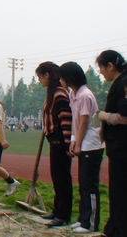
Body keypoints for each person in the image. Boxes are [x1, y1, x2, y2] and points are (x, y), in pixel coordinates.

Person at [60, 62, 104, 234]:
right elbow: (76, 121)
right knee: (83, 183)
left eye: (62, 77)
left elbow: (84, 122)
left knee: (90, 185)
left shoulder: (85, 95)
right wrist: (73, 140)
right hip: (82, 142)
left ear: (69, 78)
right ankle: (83, 219)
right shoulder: (73, 93)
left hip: (91, 145)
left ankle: (91, 223)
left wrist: (78, 143)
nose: (61, 80)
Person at [36, 61, 73, 227]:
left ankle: (64, 215)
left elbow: (66, 119)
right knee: (57, 178)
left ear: (47, 75)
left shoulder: (59, 93)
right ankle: (58, 211)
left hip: (60, 142)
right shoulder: (52, 93)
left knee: (62, 178)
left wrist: (66, 144)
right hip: (54, 140)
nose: (39, 81)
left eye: (40, 77)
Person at [95, 50, 127, 237]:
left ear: (110, 66)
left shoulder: (123, 82)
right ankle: (114, 227)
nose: (100, 72)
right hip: (117, 147)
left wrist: (104, 116)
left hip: (123, 147)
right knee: (116, 190)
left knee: (121, 190)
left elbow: (124, 116)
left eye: (101, 67)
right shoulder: (119, 82)